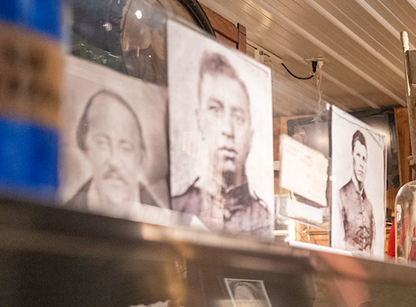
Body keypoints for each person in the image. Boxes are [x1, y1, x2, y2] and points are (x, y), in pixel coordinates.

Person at [173, 51, 271, 239]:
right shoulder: (178, 209)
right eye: (216, 110)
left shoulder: (264, 222)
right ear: (199, 122)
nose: (228, 129)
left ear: (250, 137)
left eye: (238, 117)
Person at [68, 90, 163, 213]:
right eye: (102, 144)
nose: (114, 161)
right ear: (85, 147)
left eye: (126, 148)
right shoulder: (66, 214)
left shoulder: (165, 219)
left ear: (141, 158)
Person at [338, 130, 375, 253]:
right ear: (351, 156)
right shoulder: (341, 196)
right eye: (358, 155)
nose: (361, 164)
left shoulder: (369, 206)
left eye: (364, 158)